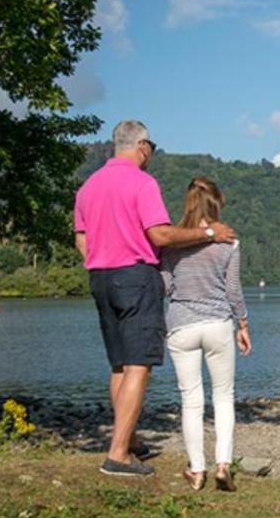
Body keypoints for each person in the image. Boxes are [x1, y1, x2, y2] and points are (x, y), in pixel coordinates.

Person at [74, 120, 235, 477]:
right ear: (142, 145)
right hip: (134, 276)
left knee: (119, 363)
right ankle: (118, 455)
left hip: (99, 277)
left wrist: (102, 259)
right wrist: (208, 232)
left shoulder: (88, 187)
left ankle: (127, 439)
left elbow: (81, 241)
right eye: (152, 148)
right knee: (139, 364)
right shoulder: (142, 183)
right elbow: (160, 235)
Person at [160, 177, 252, 492]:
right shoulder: (228, 241)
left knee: (191, 400)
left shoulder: (172, 243)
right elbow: (233, 291)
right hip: (217, 325)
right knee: (223, 396)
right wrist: (243, 324)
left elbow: (166, 286)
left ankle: (197, 471)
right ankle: (223, 464)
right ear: (216, 204)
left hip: (181, 325)